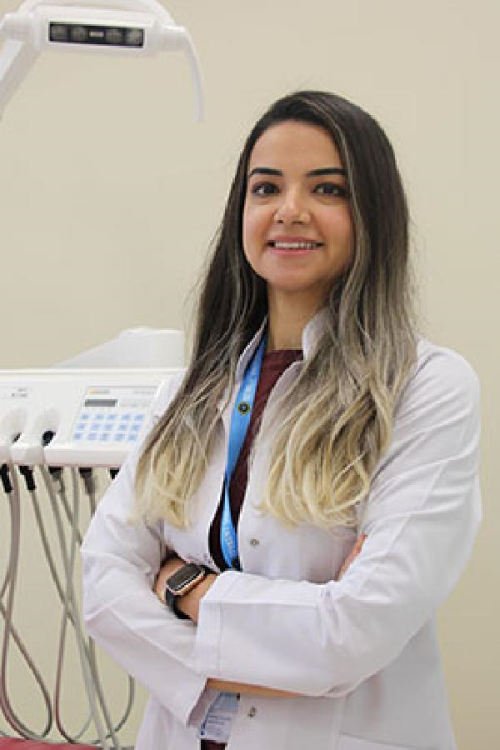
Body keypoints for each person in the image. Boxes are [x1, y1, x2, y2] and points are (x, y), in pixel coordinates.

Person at [81, 91, 481, 750]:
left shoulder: (426, 389)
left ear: (372, 213)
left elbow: (350, 635)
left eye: (327, 189)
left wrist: (182, 585)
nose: (289, 210)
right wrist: (283, 651)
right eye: (266, 188)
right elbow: (104, 587)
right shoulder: (188, 392)